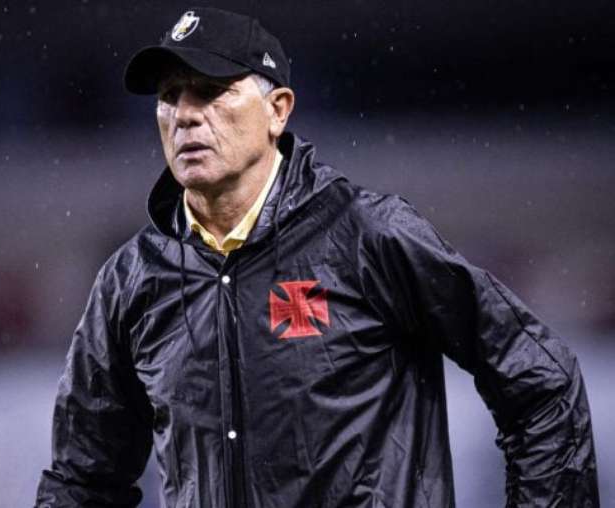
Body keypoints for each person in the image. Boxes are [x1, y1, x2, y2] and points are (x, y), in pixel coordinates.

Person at [35, 7, 599, 507]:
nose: (184, 114)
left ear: (277, 110)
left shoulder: (366, 236)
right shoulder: (132, 280)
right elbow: (83, 480)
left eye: (209, 91)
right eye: (169, 96)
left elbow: (542, 385)